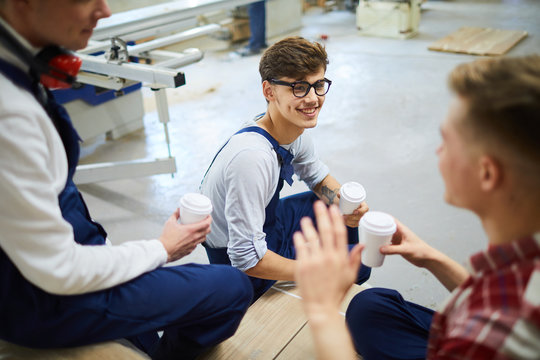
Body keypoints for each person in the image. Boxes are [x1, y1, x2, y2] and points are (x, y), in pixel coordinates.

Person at [0, 1, 252, 359]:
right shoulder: (9, 113)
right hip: (38, 299)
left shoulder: (17, 64)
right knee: (231, 288)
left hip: (65, 246)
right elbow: (58, 270)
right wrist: (162, 248)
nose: (104, 11)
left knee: (149, 321)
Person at [293, 54, 540, 359]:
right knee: (369, 307)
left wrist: (322, 312)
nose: (438, 150)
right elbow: (495, 297)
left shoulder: (484, 341)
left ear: (487, 173)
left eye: (447, 141)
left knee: (358, 316)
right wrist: (431, 258)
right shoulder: (522, 257)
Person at [200, 36, 371, 301]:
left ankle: (335, 271)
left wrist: (343, 204)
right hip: (239, 268)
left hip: (268, 226)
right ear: (269, 91)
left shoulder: (289, 127)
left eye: (318, 85)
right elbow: (245, 258)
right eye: (299, 88)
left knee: (333, 207)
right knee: (361, 263)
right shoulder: (252, 158)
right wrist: (311, 270)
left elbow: (316, 176)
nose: (313, 99)